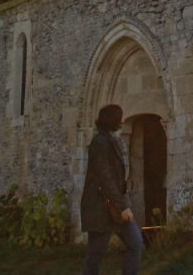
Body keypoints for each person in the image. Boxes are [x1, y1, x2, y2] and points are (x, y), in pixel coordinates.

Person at [79, 104, 143, 275]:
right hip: (100, 208)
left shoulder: (112, 140)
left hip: (115, 206)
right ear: (113, 119)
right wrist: (123, 206)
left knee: (135, 243)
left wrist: (124, 204)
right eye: (120, 117)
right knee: (95, 254)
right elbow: (105, 179)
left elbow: (117, 179)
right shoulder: (99, 142)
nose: (123, 121)